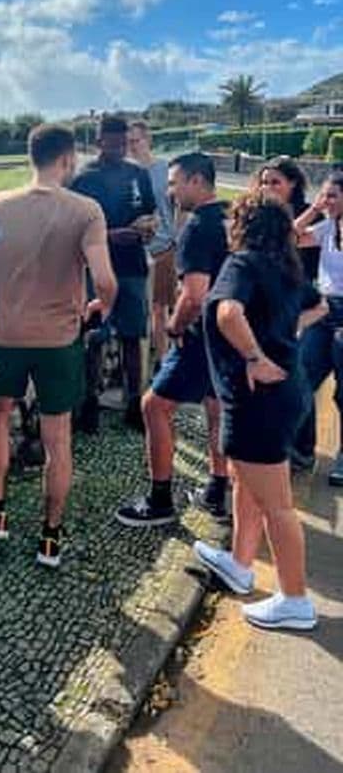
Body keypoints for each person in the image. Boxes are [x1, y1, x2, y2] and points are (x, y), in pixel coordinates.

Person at [0, 124, 117, 567]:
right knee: (58, 438)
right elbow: (106, 279)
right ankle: (50, 538)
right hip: (59, 338)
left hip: (6, 334)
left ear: (32, 157)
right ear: (68, 159)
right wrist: (100, 305)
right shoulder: (85, 210)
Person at [194, 195, 326, 631]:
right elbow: (319, 305)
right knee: (244, 481)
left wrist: (253, 355)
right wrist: (285, 333)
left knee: (278, 506)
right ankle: (239, 563)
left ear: (243, 227)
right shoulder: (286, 268)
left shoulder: (243, 264)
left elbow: (228, 312)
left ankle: (294, 600)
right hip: (286, 393)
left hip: (256, 399)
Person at [115, 152, 229, 526]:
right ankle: (217, 489)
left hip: (199, 336)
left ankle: (160, 500)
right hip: (228, 334)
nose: (169, 191)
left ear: (197, 181)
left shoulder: (196, 226)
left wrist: (175, 328)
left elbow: (195, 294)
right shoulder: (230, 217)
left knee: (154, 406)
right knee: (216, 409)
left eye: (174, 182)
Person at [72, 115, 157, 432]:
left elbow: (149, 211)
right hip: (96, 268)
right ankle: (89, 403)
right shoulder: (83, 179)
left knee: (133, 336)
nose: (120, 148)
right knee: (95, 336)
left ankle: (134, 402)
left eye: (124, 143)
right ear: (98, 143)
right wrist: (111, 235)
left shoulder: (138, 173)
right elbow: (75, 229)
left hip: (133, 266)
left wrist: (147, 227)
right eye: (113, 143)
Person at [293, 172, 343, 486]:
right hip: (324, 310)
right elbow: (291, 237)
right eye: (323, 194)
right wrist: (315, 209)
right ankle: (301, 449)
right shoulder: (327, 228)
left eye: (333, 196)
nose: (326, 201)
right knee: (301, 376)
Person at [128, 121, 178, 367]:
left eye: (136, 141)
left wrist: (177, 239)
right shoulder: (124, 172)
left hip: (162, 250)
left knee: (160, 309)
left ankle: (162, 361)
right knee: (136, 312)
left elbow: (177, 208)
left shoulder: (164, 169)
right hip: (134, 251)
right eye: (128, 142)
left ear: (148, 140)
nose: (132, 146)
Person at [253, 156, 319, 284]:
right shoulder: (255, 213)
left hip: (299, 284)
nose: (267, 187)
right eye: (264, 183)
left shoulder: (311, 215)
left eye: (275, 182)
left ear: (292, 183)